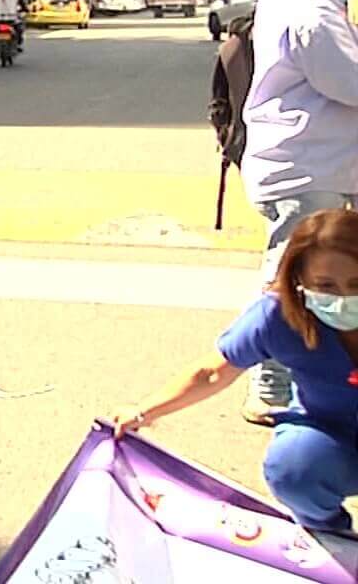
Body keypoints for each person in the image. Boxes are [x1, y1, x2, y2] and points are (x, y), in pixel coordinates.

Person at [110, 208, 358, 535]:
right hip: (328, 434)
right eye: (325, 286)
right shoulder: (277, 315)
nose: (342, 299)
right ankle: (333, 540)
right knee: (294, 467)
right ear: (299, 280)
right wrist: (142, 412)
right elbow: (212, 372)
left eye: (356, 284)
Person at [237, 0, 358, 422]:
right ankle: (270, 386)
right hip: (307, 166)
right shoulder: (313, 12)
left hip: (306, 163)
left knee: (301, 273)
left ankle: (286, 383)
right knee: (293, 276)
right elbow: (348, 82)